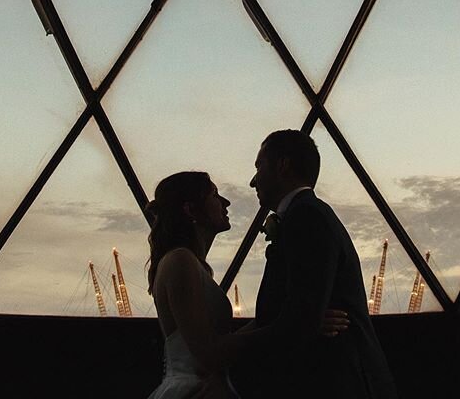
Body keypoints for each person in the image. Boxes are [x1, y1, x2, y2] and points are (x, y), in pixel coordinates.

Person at [144, 170, 348, 398]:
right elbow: (208, 354)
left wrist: (299, 320)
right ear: (190, 210)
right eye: (214, 195)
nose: (226, 202)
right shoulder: (180, 261)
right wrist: (291, 327)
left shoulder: (189, 263)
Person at [230, 129, 399, 398]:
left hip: (333, 382)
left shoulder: (305, 218)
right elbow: (298, 315)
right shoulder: (308, 214)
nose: (253, 181)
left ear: (283, 165)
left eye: (259, 165)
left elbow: (300, 320)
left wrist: (227, 348)